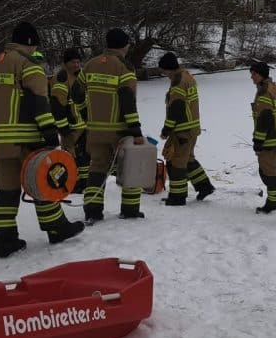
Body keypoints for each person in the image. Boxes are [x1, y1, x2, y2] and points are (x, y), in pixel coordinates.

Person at [0, 22, 84, 258]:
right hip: (26, 137)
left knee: (7, 188)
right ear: (30, 43)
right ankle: (56, 227)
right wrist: (49, 133)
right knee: (43, 180)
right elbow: (39, 102)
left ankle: (5, 239)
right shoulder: (29, 65)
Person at [77, 28, 146, 222]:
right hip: (118, 130)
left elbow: (76, 93)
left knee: (97, 168)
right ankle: (130, 210)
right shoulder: (124, 67)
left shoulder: (90, 64)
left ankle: (92, 211)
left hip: (94, 130)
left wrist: (86, 114)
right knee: (131, 166)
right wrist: (135, 131)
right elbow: (128, 102)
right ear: (124, 45)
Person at [157, 52, 214, 205]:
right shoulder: (187, 76)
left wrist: (166, 130)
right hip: (192, 127)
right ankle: (205, 187)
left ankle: (178, 197)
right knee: (188, 159)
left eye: (164, 71)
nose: (164, 74)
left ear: (168, 68)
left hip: (183, 129)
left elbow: (176, 108)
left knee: (176, 161)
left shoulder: (178, 82)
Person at [250, 62, 276, 214]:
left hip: (269, 140)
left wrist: (258, 141)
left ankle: (274, 203)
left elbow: (265, 118)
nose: (252, 77)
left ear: (261, 75)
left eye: (254, 74)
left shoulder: (264, 92)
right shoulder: (274, 88)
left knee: (268, 172)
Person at [52, 48, 89, 193]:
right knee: (71, 156)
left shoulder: (79, 76)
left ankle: (83, 183)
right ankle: (72, 182)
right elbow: (57, 105)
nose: (77, 65)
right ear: (65, 63)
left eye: (78, 62)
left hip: (82, 124)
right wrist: (64, 129)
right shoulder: (62, 78)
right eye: (73, 62)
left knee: (84, 156)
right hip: (71, 127)